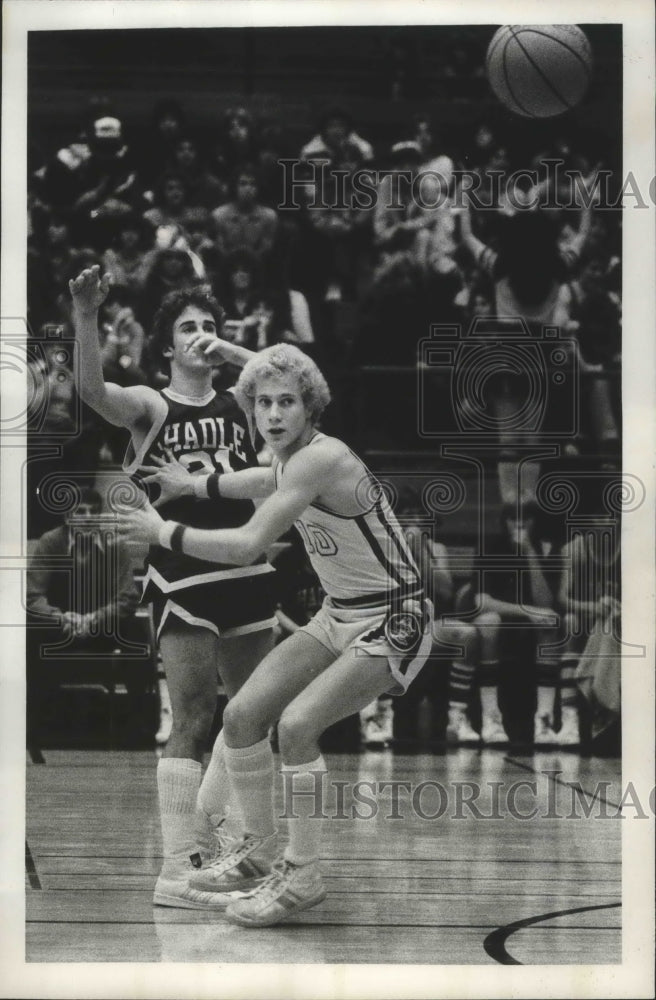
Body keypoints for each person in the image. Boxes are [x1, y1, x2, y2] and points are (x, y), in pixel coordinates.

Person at [118, 342, 434, 927]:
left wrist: (163, 529)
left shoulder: (321, 458)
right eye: (262, 403)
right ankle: (258, 850)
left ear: (310, 408)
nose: (273, 414)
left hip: (395, 616)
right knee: (240, 717)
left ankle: (302, 871)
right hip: (339, 615)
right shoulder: (288, 463)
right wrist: (193, 487)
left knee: (296, 725)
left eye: (286, 402)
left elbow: (245, 545)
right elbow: (244, 481)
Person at [68, 266, 277, 910]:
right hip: (182, 568)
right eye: (189, 328)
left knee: (251, 717)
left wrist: (237, 353)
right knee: (191, 714)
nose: (201, 336)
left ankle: (237, 850)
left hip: (244, 564)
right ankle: (175, 865)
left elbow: (292, 378)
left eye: (210, 327)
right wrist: (84, 312)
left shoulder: (246, 401)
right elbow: (94, 391)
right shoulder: (153, 405)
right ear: (166, 345)